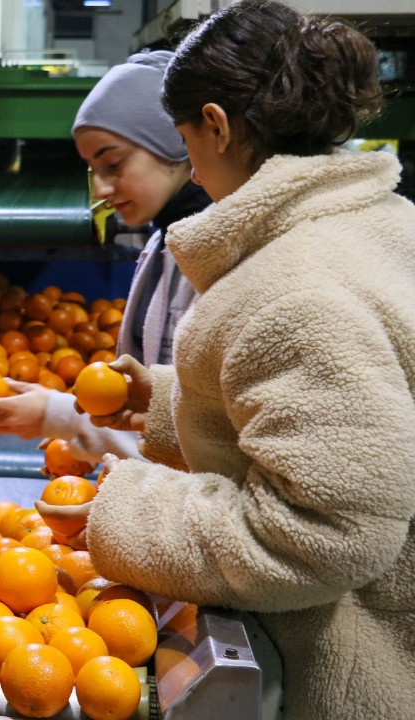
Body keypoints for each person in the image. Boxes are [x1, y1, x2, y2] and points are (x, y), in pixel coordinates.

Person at [48, 2, 413, 718]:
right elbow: (337, 410)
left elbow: (320, 535)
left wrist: (121, 511)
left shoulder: (294, 285)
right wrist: (163, 399)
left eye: (184, 136)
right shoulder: (379, 224)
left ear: (213, 125)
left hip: (347, 669)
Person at [0, 50, 210, 465]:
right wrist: (87, 430)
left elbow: (203, 438)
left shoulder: (216, 265)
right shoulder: (163, 245)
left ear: (175, 144)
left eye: (113, 164)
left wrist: (64, 419)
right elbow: (153, 414)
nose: (100, 188)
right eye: (91, 169)